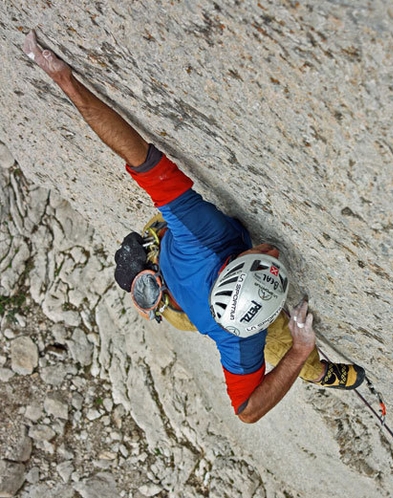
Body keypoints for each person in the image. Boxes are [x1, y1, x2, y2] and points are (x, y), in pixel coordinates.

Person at [23, 30, 365, 424]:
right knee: (286, 347)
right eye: (270, 259)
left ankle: (154, 289)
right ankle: (318, 370)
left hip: (180, 285)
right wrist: (302, 348)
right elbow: (246, 412)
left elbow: (136, 154)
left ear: (230, 264)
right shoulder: (243, 338)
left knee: (159, 235)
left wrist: (65, 81)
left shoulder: (201, 237)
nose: (273, 251)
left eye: (260, 257)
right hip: (186, 299)